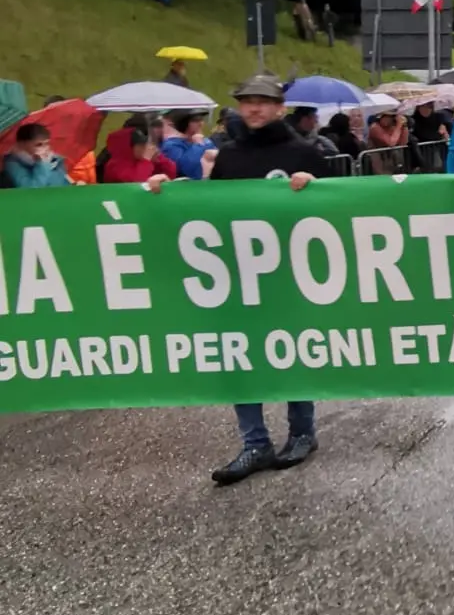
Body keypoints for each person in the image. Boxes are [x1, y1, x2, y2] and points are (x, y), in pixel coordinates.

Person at [203, 74, 330, 485]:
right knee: (240, 354)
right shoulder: (227, 156)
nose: (254, 108)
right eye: (247, 101)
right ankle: (254, 442)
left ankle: (301, 431)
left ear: (280, 107)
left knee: (291, 350)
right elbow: (204, 211)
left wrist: (315, 188)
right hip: (238, 272)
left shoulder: (304, 153)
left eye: (263, 101)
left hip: (290, 273)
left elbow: (342, 208)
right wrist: (164, 192)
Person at [2, 123, 71, 189]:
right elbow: (31, 189)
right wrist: (42, 164)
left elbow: (61, 185)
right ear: (22, 145)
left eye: (47, 143)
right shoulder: (12, 163)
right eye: (39, 145)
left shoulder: (55, 160)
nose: (45, 148)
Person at [102, 127, 179, 185]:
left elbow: (171, 173)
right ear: (128, 148)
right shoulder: (114, 166)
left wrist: (159, 157)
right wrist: (146, 160)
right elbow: (137, 184)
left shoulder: (141, 161)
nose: (145, 147)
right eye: (141, 145)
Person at [159, 113, 215, 180]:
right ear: (184, 124)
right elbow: (186, 170)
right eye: (195, 121)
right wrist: (197, 146)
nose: (201, 124)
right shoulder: (171, 145)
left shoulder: (206, 141)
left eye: (201, 120)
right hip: (186, 186)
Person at [364, 108, 409, 174]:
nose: (387, 119)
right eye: (385, 116)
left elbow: (403, 143)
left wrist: (404, 126)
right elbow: (391, 143)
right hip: (376, 156)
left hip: (389, 156)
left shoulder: (393, 127)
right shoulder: (375, 127)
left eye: (390, 117)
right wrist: (399, 126)